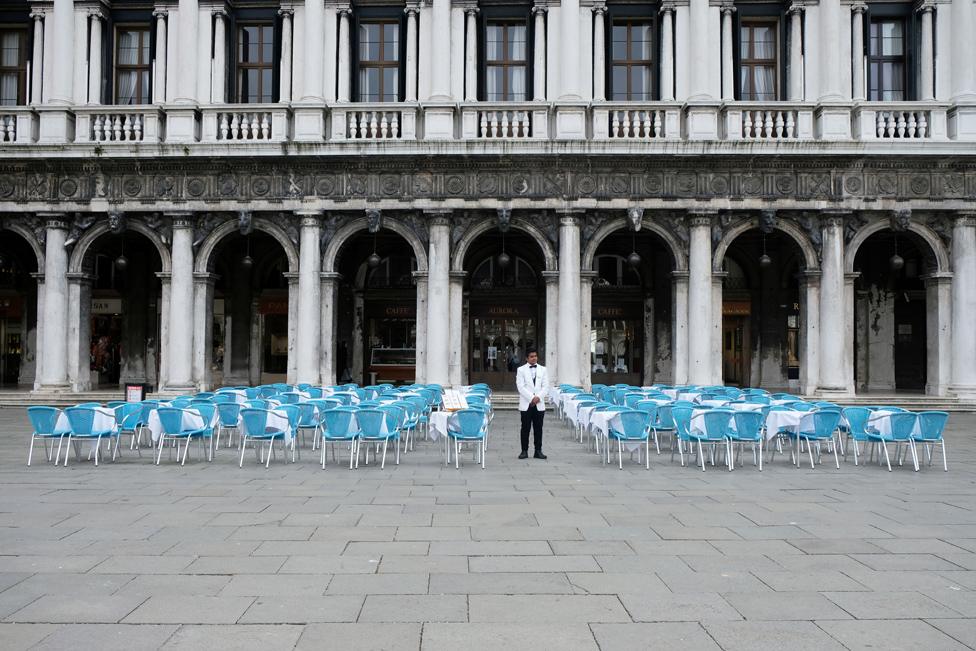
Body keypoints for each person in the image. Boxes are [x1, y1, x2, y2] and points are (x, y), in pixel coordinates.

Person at [515, 347, 549, 459]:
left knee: (538, 428)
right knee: (525, 428)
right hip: (526, 403)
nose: (534, 358)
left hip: (539, 404)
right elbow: (520, 386)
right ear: (526, 358)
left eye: (535, 356)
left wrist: (538, 397)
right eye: (531, 356)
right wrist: (531, 398)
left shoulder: (543, 369)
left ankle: (538, 451)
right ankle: (524, 451)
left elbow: (546, 386)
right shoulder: (521, 370)